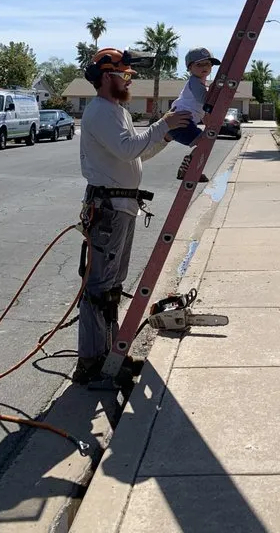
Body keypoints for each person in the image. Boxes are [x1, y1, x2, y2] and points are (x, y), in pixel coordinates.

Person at [74, 47, 191, 385]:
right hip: (108, 209)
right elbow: (128, 148)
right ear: (105, 77)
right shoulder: (100, 111)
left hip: (119, 207)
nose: (128, 81)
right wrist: (162, 124)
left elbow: (137, 153)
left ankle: (112, 356)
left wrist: (165, 134)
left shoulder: (117, 111)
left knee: (112, 286)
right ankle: (91, 362)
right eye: (123, 75)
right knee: (100, 288)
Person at [168, 46, 221, 183]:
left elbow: (202, 110)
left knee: (205, 142)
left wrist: (208, 123)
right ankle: (188, 169)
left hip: (184, 122)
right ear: (190, 68)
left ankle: (189, 167)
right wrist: (216, 89)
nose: (205, 67)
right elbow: (205, 100)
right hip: (181, 122)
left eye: (208, 64)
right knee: (204, 143)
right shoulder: (195, 82)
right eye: (199, 64)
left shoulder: (200, 83)